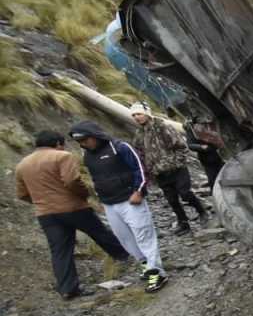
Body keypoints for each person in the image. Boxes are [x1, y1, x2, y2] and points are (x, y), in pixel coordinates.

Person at [15, 131, 131, 300]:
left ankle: (68, 289)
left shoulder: (22, 164)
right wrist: (84, 194)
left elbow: (22, 194)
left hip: (46, 213)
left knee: (60, 251)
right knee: (99, 232)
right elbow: (71, 180)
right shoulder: (62, 156)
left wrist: (41, 201)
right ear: (57, 143)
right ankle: (124, 256)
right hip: (73, 207)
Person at [69, 120, 168, 293]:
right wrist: (101, 199)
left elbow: (140, 169)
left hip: (131, 199)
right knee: (125, 238)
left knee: (144, 235)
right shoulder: (87, 154)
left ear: (95, 135)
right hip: (109, 203)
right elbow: (96, 178)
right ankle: (145, 264)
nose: (83, 143)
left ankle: (157, 273)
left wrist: (139, 191)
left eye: (85, 139)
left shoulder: (120, 147)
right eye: (79, 141)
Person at [130, 102, 208, 235]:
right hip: (159, 173)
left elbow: (181, 146)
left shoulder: (163, 127)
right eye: (134, 115)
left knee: (185, 193)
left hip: (176, 169)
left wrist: (176, 162)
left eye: (139, 114)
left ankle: (202, 212)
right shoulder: (139, 134)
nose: (136, 117)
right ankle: (183, 223)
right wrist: (149, 170)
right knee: (172, 200)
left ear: (147, 113)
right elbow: (140, 153)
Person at [185, 115, 225, 195]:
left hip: (218, 154)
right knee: (212, 177)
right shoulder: (192, 131)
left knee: (223, 173)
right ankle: (216, 193)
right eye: (201, 122)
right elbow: (190, 145)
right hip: (206, 157)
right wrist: (201, 147)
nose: (203, 124)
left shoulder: (211, 127)